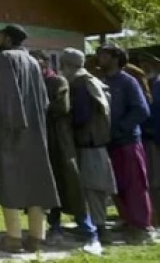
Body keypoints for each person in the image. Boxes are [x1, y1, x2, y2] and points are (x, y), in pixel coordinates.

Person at [0, 24, 59, 254]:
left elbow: (9, 96)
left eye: (0, 37)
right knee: (36, 181)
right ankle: (37, 237)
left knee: (10, 181)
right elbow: (44, 101)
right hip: (36, 131)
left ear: (8, 39)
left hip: (13, 130)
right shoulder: (33, 62)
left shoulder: (6, 58)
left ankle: (14, 238)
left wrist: (10, 128)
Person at [31, 50, 93, 248]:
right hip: (44, 142)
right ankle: (55, 226)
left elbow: (61, 108)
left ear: (45, 63)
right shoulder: (32, 83)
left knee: (72, 183)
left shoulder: (58, 82)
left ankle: (88, 229)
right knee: (50, 186)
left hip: (61, 141)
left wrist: (39, 109)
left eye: (38, 62)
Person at [96, 44, 153, 244]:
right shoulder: (103, 81)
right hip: (109, 143)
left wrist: (120, 129)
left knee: (134, 184)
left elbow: (141, 110)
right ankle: (127, 221)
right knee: (117, 185)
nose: (99, 58)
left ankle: (141, 227)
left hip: (128, 142)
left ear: (115, 58)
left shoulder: (128, 82)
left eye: (103, 55)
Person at [59, 48, 114, 255]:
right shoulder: (91, 80)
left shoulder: (81, 83)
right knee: (94, 188)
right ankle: (96, 226)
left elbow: (81, 116)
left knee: (92, 188)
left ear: (68, 65)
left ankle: (99, 230)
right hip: (95, 142)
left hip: (89, 143)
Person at [140, 53, 160, 227]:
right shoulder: (146, 84)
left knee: (156, 181)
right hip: (148, 138)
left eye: (148, 64)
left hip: (156, 138)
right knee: (152, 181)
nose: (145, 68)